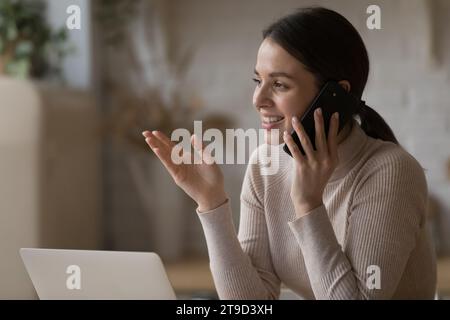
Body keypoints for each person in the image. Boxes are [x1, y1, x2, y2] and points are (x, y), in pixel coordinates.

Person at [142, 7, 437, 299]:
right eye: (258, 81)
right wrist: (211, 202)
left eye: (280, 84)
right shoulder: (265, 165)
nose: (258, 99)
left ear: (333, 95)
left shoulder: (390, 172)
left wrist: (308, 205)